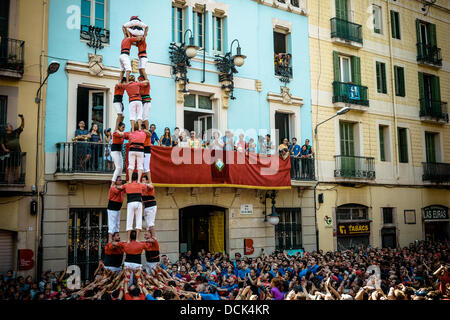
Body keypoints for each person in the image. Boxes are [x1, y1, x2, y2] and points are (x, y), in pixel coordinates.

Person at [119, 172, 152, 242]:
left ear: (131, 177)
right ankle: (137, 239)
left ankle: (128, 239)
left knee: (129, 221)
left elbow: (120, 187)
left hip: (130, 203)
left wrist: (115, 185)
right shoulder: (140, 185)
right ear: (137, 178)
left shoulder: (127, 185)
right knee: (138, 221)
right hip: (138, 203)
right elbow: (148, 187)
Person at [123, 16, 149, 81]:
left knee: (142, 69)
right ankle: (143, 78)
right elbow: (134, 43)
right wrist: (128, 41)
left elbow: (135, 41)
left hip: (143, 57)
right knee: (141, 69)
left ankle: (146, 80)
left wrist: (128, 38)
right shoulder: (140, 42)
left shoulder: (142, 41)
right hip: (142, 57)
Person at [0, 114, 24, 183]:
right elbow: (1, 143)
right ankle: (5, 180)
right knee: (7, 166)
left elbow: (22, 126)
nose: (10, 126)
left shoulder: (15, 132)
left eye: (10, 125)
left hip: (17, 152)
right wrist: (5, 149)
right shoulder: (4, 135)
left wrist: (22, 119)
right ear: (7, 128)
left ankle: (16, 180)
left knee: (16, 167)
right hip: (8, 153)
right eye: (8, 126)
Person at [107, 176, 124, 242]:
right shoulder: (113, 188)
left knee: (117, 224)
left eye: (121, 180)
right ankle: (110, 239)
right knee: (112, 224)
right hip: (112, 208)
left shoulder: (121, 188)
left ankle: (116, 238)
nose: (121, 181)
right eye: (119, 180)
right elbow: (117, 191)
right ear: (115, 181)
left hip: (118, 209)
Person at [142, 175, 157, 240]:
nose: (142, 182)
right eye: (142, 180)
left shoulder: (149, 185)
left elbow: (151, 186)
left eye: (143, 180)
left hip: (151, 206)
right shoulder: (142, 189)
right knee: (148, 225)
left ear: (147, 181)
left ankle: (154, 237)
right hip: (146, 207)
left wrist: (145, 184)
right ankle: (149, 237)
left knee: (150, 223)